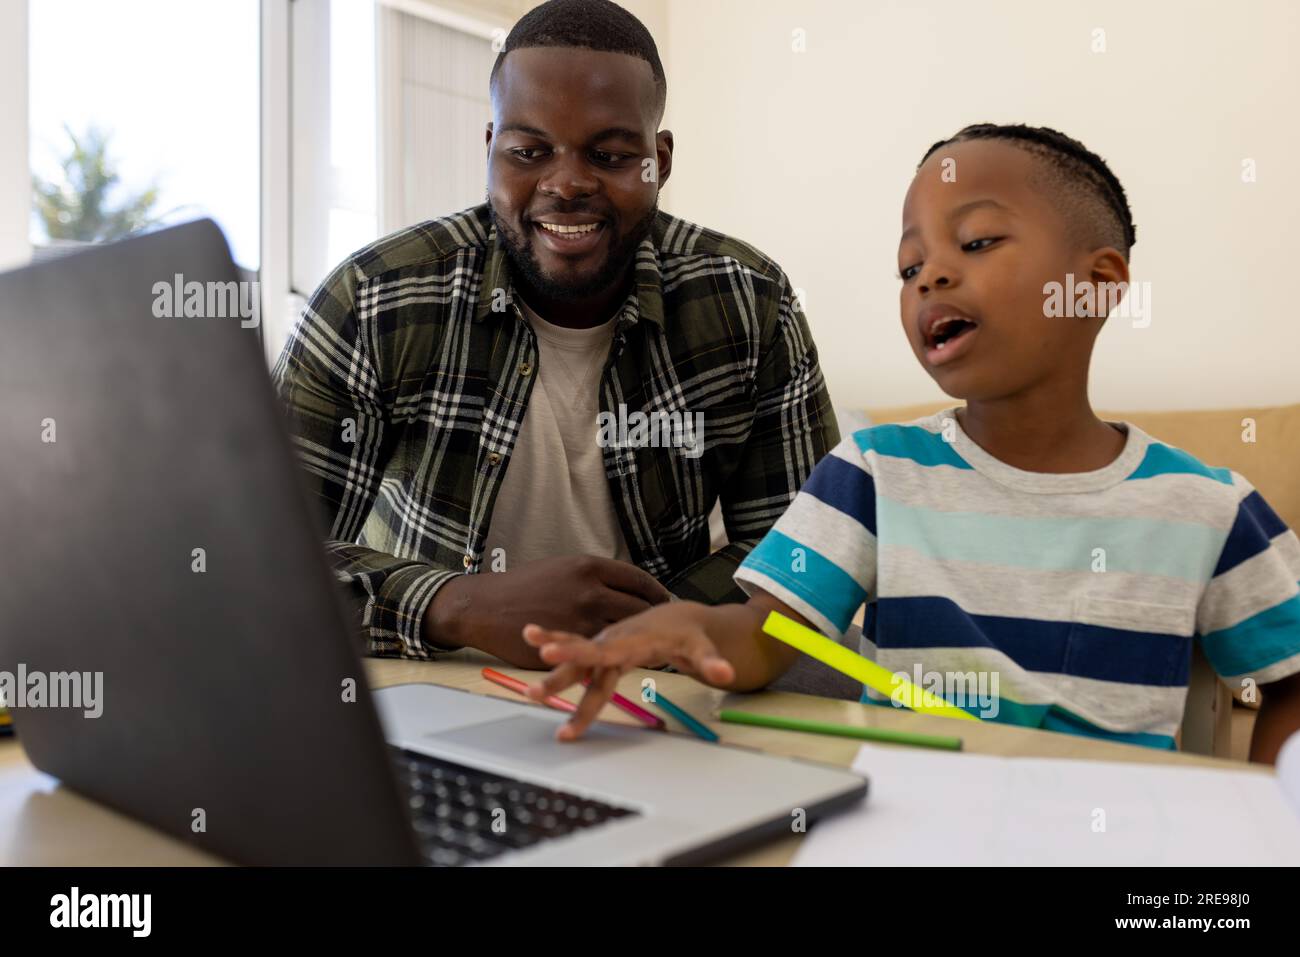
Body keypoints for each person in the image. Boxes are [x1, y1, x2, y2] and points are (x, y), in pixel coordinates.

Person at [524, 123, 1300, 763]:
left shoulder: (1210, 508)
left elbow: (1290, 684)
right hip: (907, 825)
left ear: (1095, 284)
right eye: (909, 265)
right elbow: (765, 634)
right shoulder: (873, 473)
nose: (929, 277)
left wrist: (1264, 815)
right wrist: (689, 625)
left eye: (978, 241)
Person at [273, 0, 837, 668]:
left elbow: (803, 556)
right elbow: (270, 559)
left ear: (659, 158)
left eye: (611, 154)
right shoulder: (374, 299)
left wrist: (644, 630)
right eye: (529, 151)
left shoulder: (750, 301)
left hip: (658, 689)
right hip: (435, 679)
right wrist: (460, 605)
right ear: (490, 150)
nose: (567, 183)